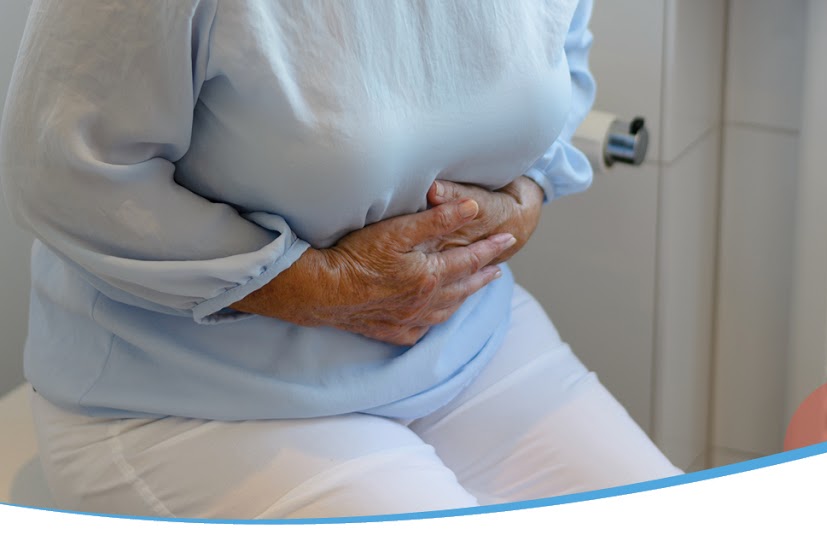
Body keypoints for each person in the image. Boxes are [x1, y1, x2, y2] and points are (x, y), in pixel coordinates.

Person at [0, 0, 682, 519]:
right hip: (194, 393)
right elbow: (63, 169)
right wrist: (324, 286)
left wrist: (526, 194)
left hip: (466, 338)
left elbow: (561, 57)